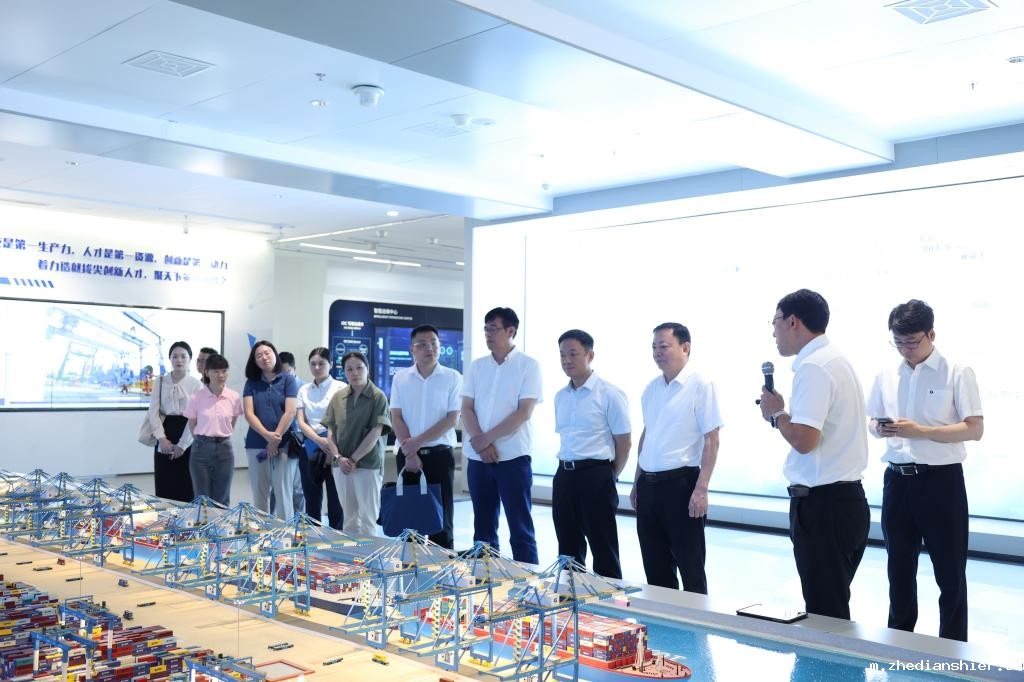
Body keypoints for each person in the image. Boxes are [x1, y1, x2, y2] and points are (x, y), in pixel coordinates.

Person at [867, 300, 983, 642]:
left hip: (941, 482)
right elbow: (872, 420)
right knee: (898, 569)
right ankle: (899, 642)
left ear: (931, 334)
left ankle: (953, 648)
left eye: (912, 342)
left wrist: (922, 431)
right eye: (898, 342)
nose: (905, 349)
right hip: (897, 481)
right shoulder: (886, 374)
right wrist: (880, 428)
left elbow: (974, 428)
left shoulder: (958, 371)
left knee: (950, 572)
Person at [759, 289, 870, 620]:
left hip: (824, 509)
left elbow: (805, 441)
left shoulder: (814, 367)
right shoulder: (835, 360)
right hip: (844, 503)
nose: (773, 331)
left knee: (825, 617)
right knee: (831, 607)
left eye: (775, 322)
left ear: (793, 321)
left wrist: (777, 414)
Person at [632, 323, 721, 593]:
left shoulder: (700, 385)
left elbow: (712, 438)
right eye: (654, 347)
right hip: (649, 485)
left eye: (664, 346)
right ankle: (663, 619)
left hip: (681, 485)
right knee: (655, 566)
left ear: (685, 348)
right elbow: (647, 436)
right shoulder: (651, 389)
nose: (657, 352)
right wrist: (636, 482)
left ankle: (697, 620)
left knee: (690, 566)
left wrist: (702, 489)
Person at [461, 307, 542, 564]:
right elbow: (466, 408)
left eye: (493, 329)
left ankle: (528, 580)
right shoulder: (477, 367)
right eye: (486, 329)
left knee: (520, 528)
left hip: (513, 457)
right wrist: (480, 443)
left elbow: (524, 412)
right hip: (478, 458)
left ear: (511, 330)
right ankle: (485, 579)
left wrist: (485, 439)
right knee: (483, 529)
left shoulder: (528, 366)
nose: (488, 334)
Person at [553, 329, 631, 578]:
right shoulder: (561, 396)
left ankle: (610, 599)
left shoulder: (610, 394)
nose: (566, 360)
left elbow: (624, 442)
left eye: (573, 354)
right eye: (562, 355)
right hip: (564, 475)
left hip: (596, 475)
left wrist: (610, 475)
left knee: (603, 546)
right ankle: (570, 596)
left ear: (590, 355)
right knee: (567, 547)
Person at [390, 324, 463, 549]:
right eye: (422, 344)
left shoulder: (453, 377)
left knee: (442, 519)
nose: (429, 348)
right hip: (407, 456)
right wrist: (410, 452)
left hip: (440, 455)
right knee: (410, 518)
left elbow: (452, 418)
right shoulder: (400, 378)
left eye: (434, 343)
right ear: (412, 349)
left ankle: (442, 567)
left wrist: (416, 443)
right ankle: (411, 565)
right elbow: (396, 416)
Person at [321, 351, 391, 537]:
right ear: (344, 372)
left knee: (368, 517)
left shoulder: (378, 397)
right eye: (349, 369)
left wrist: (352, 460)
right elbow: (331, 430)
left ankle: (370, 554)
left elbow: (375, 432)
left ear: (367, 369)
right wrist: (338, 457)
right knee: (350, 517)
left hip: (367, 465)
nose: (355, 372)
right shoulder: (338, 397)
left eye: (359, 367)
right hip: (341, 465)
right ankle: (353, 553)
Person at [242, 340, 299, 519]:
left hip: (284, 445)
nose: (264, 357)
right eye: (259, 355)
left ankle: (285, 533)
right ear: (254, 361)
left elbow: (290, 412)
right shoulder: (251, 383)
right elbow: (249, 414)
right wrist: (268, 436)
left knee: (283, 492)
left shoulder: (288, 380)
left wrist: (275, 439)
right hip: (256, 444)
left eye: (267, 353)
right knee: (260, 493)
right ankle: (262, 531)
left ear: (275, 354)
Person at [146, 341, 202, 502]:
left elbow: (195, 417)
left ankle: (187, 517)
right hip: (164, 431)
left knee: (186, 482)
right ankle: (164, 515)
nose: (179, 360)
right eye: (175, 356)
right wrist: (162, 439)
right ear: (170, 358)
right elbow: (153, 412)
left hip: (188, 432)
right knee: (164, 481)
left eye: (183, 356)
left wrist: (182, 445)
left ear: (190, 359)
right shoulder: (160, 381)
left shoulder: (196, 384)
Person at [295, 347, 345, 529]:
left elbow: (342, 419)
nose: (317, 367)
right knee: (311, 498)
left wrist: (329, 442)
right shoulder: (304, 390)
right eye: (313, 364)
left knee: (336, 498)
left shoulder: (341, 388)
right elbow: (301, 422)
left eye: (321, 363)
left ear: (330, 364)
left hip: (336, 446)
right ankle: (313, 537)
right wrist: (319, 440)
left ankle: (336, 537)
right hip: (310, 445)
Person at [184, 353, 242, 505]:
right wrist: (201, 440)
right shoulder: (196, 397)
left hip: (225, 449)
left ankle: (220, 522)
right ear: (207, 372)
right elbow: (192, 424)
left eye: (224, 371)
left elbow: (233, 421)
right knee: (201, 498)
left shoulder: (234, 397)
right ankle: (203, 522)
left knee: (222, 498)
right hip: (201, 449)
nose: (220, 375)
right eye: (216, 371)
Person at [277, 351, 306, 518]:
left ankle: (299, 521)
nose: (284, 376)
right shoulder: (276, 387)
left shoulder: (304, 388)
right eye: (280, 372)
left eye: (287, 372)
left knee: (298, 487)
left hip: (300, 442)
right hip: (280, 441)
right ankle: (276, 521)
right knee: (278, 486)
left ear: (294, 369)